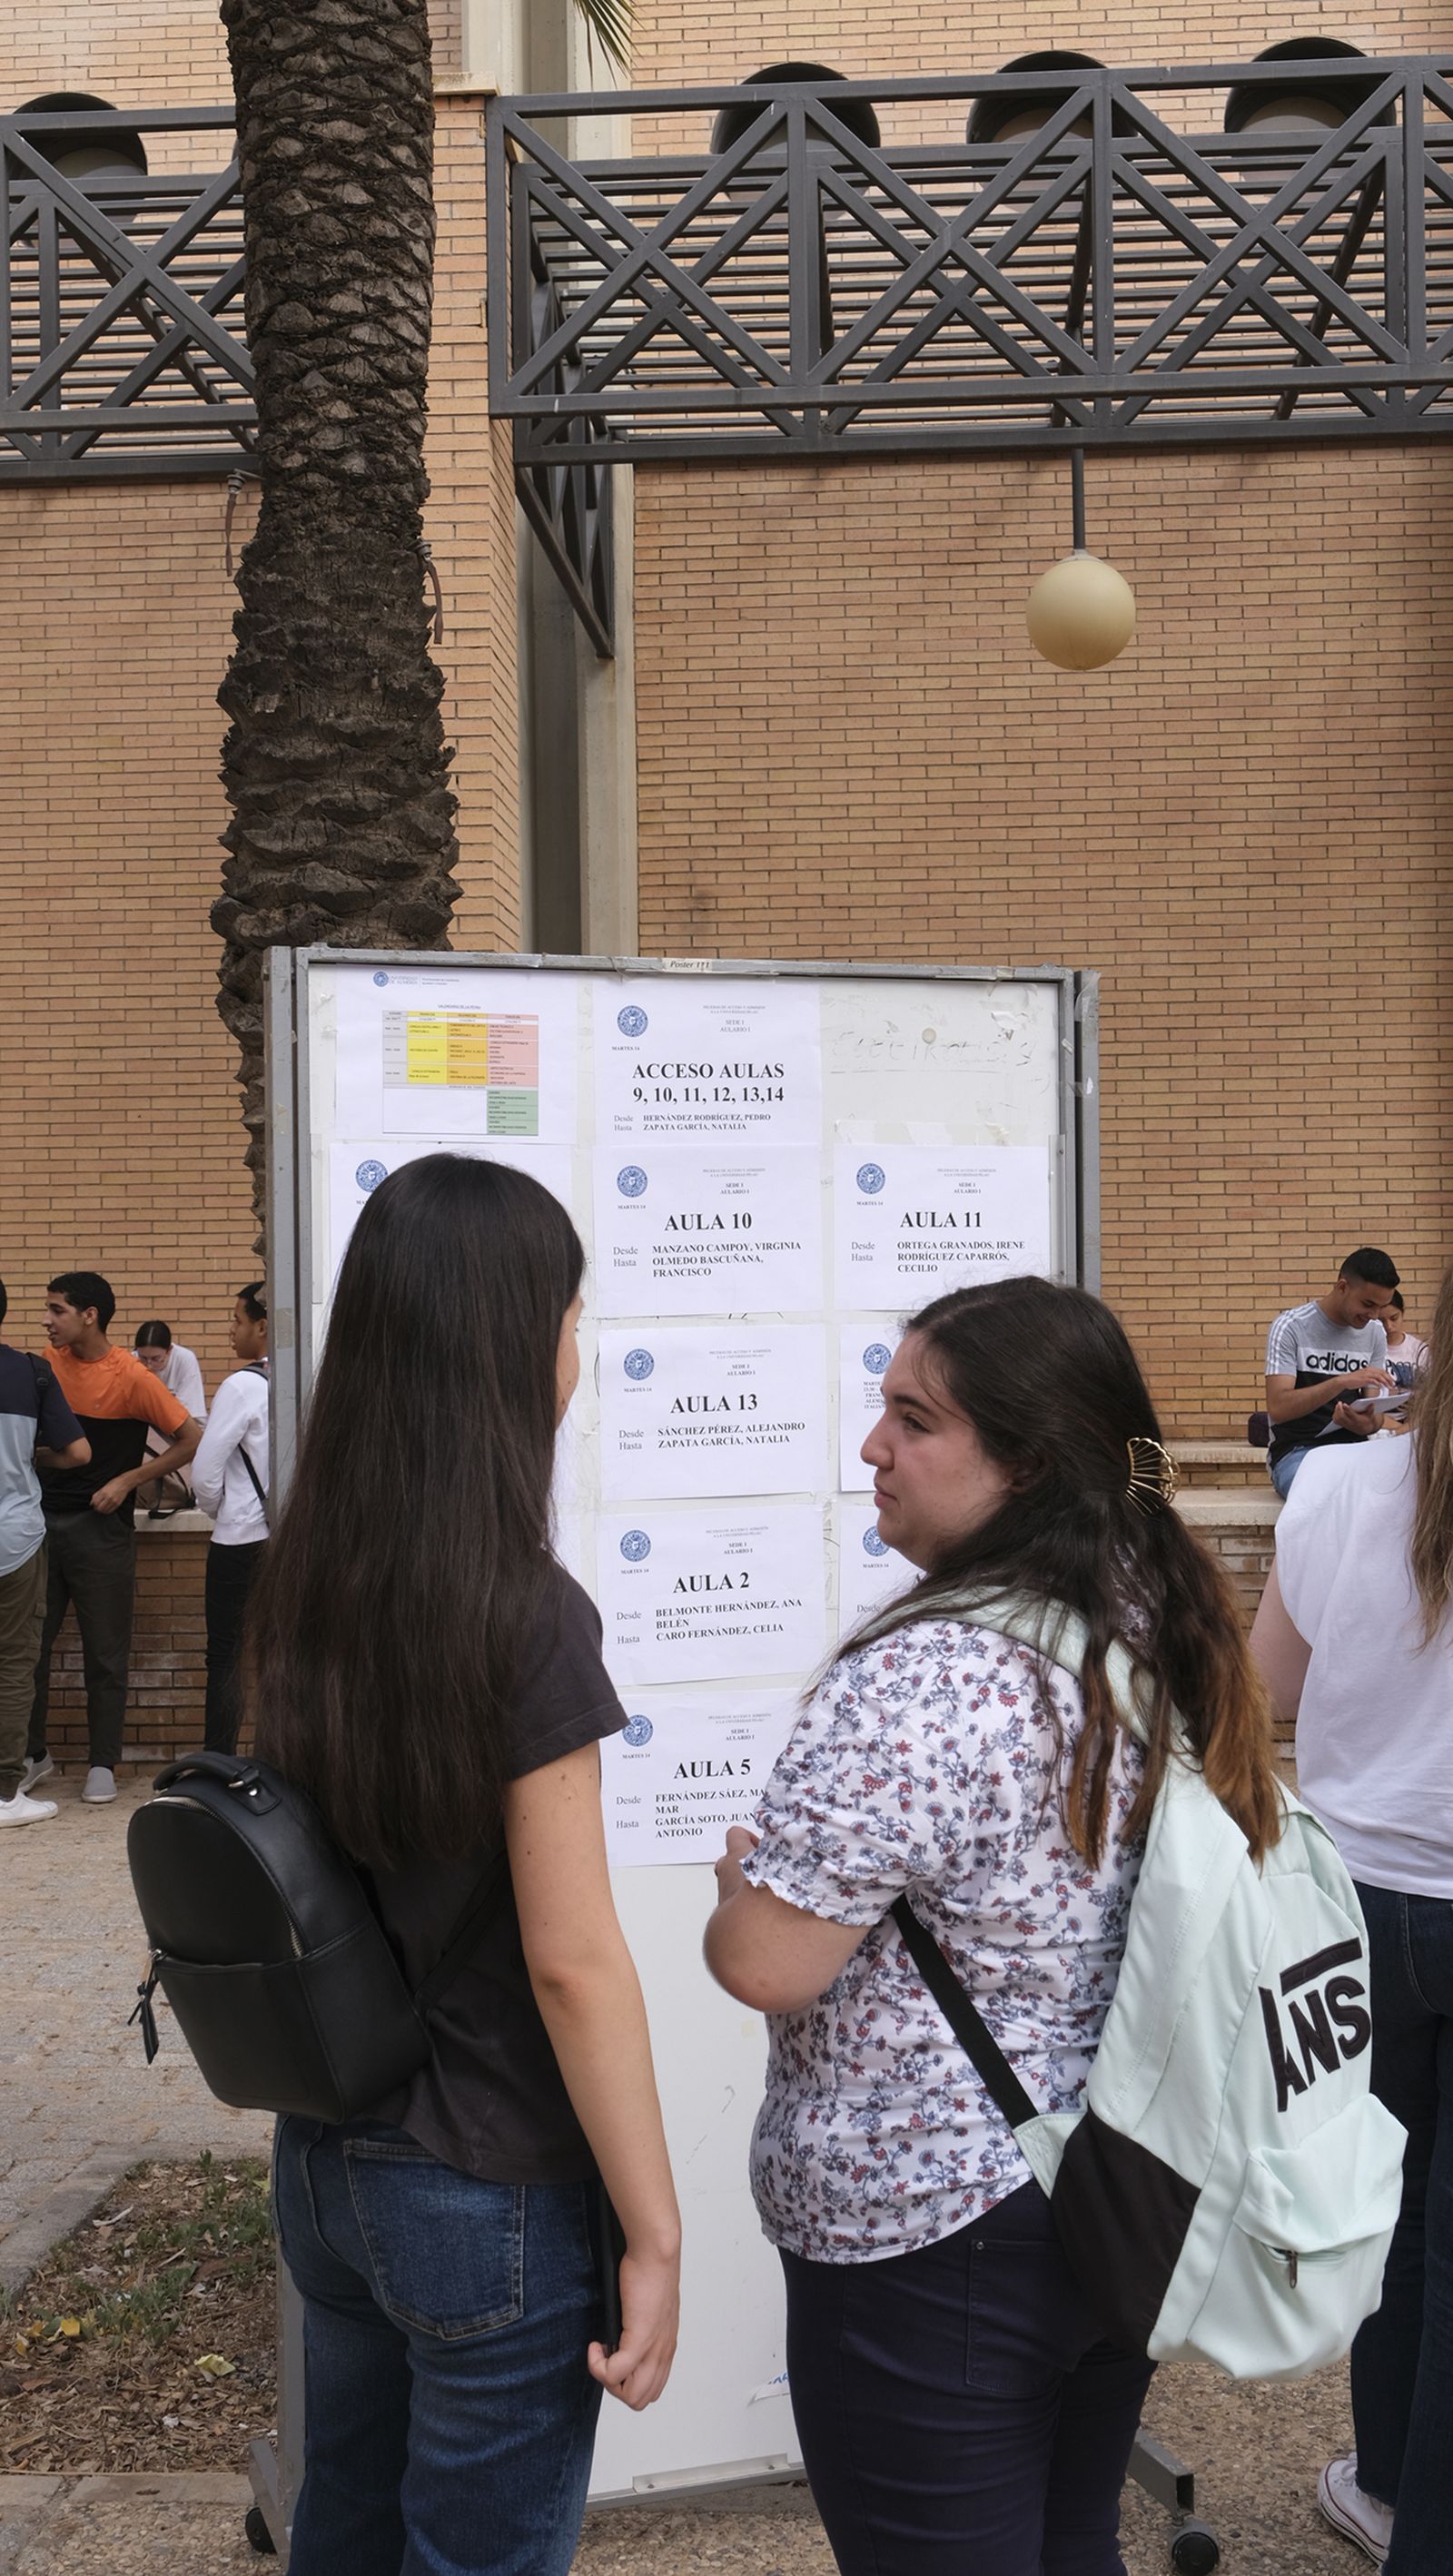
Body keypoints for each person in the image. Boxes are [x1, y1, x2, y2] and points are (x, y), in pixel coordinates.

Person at [705, 1276, 1283, 2576]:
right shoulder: (1155, 1613)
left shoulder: (930, 1673)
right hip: (1120, 2181)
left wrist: (747, 1884)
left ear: (1025, 1462)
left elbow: (770, 1959)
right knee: (1074, 2539)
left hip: (933, 2230)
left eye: (914, 1419)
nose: (874, 1447)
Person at [246, 1154, 680, 2576]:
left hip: (328, 2164)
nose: (579, 1354)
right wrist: (657, 2231)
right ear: (511, 1346)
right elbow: (572, 1957)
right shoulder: (524, 1613)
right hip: (489, 2183)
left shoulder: (305, 1575)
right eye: (568, 1317)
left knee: (348, 2535)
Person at [1250, 1263, 1453, 2576]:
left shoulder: (1334, 1486)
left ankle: (1388, 2481)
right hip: (1383, 1888)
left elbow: (1256, 1688)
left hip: (1360, 1904)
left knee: (1389, 2206)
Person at [25, 1271, 201, 1806]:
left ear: (89, 1315)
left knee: (106, 1653)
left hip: (103, 1533)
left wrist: (127, 1481)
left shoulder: (131, 1375)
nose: (47, 1320)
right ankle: (33, 1756)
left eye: (56, 1310)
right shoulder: (40, 1369)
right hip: (38, 1527)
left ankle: (103, 1762)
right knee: (28, 1649)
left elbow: (192, 1438)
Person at [0, 1280, 89, 1827]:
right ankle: (7, 1793)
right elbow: (78, 1452)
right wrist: (32, 1462)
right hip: (16, 1537)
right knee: (13, 1665)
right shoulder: (31, 1372)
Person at [189, 1283, 269, 1756]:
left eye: (237, 1320)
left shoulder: (242, 1385)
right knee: (284, 1657)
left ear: (262, 1326)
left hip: (240, 1540)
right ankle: (282, 1764)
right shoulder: (307, 1377)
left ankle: (219, 1764)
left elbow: (205, 1474)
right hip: (294, 1541)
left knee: (226, 1657)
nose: (231, 1330)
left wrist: (224, 1512)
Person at [1264, 1248, 1401, 1498]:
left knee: (1398, 1493)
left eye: (1380, 1308)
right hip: (1297, 1452)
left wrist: (1367, 1424)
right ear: (1342, 1287)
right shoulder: (1291, 1327)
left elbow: (1373, 1415)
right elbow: (1278, 1408)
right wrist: (1339, 1382)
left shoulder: (1375, 1333)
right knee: (1330, 1496)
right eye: (1368, 1304)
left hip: (1354, 1451)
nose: (1373, 1316)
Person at [133, 1320, 207, 1512]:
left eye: (156, 1359)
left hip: (180, 1428)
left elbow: (189, 1413)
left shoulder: (185, 1359)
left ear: (169, 1350)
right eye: (143, 1358)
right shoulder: (132, 1362)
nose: (149, 1364)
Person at [1383, 1290, 1428, 1391]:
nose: (1389, 1327)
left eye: (1394, 1318)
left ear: (1402, 1314)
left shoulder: (1421, 1350)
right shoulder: (1369, 1351)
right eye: (1381, 1321)